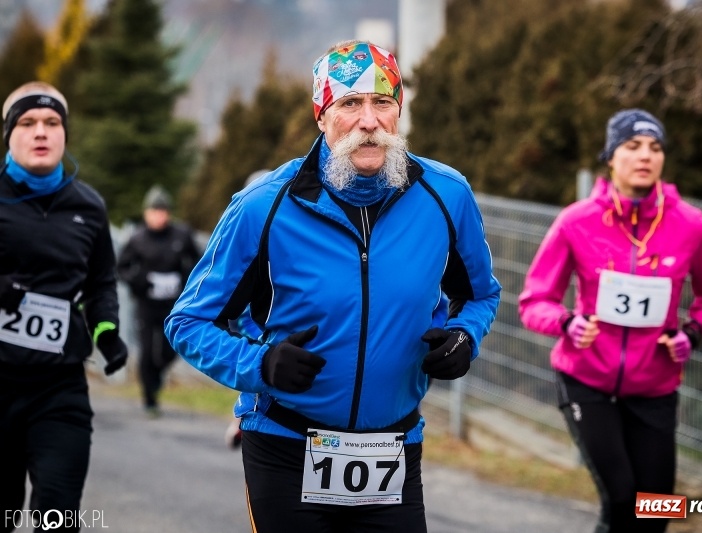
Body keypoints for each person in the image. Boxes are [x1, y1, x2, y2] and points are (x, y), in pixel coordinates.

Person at [166, 40, 501, 532]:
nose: (369, 120)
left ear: (398, 112)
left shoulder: (446, 195)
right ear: (321, 115)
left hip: (393, 450)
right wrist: (259, 363)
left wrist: (465, 335)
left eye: (382, 102)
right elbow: (187, 321)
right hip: (286, 446)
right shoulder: (263, 206)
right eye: (350, 103)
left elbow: (480, 293)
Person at [518, 109, 702, 532]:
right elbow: (534, 300)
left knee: (656, 511)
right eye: (632, 147)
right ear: (611, 157)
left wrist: (692, 332)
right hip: (586, 380)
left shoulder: (691, 225)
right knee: (621, 500)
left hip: (654, 386)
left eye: (655, 148)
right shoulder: (576, 221)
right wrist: (567, 324)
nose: (645, 156)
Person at [0, 81, 128, 532]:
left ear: (64, 134)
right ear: (9, 135)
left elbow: (100, 282)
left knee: (57, 517)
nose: (41, 132)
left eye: (52, 123)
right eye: (28, 123)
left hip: (58, 388)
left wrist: (107, 332)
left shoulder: (88, 207)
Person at [117, 185, 200, 417]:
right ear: (146, 213)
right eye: (154, 211)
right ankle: (149, 399)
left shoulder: (182, 235)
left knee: (169, 349)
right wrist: (140, 281)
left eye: (162, 211)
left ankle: (156, 375)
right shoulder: (137, 239)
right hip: (147, 304)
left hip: (174, 305)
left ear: (169, 213)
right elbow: (122, 268)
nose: (158, 216)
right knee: (146, 351)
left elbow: (199, 262)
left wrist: (186, 281)